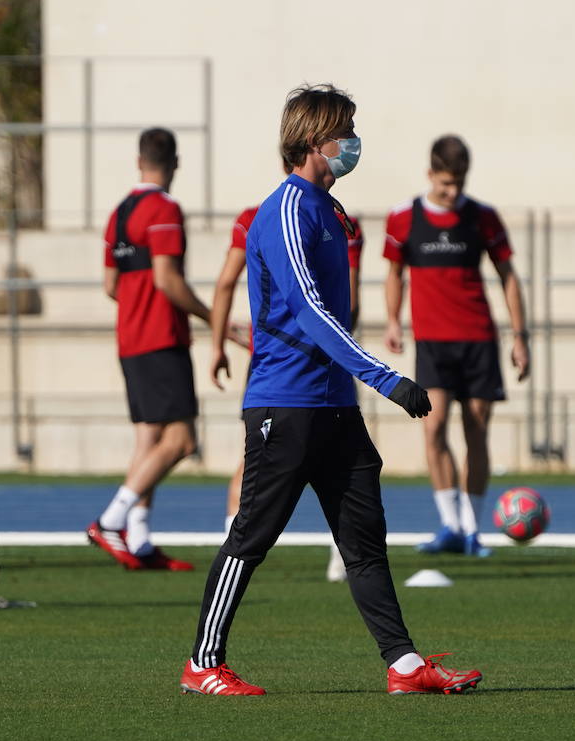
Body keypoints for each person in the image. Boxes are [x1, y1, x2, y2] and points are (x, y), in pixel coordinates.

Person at [180, 84, 483, 696]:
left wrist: (359, 384)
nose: (354, 142)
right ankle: (203, 664)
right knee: (252, 536)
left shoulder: (330, 209)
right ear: (317, 140)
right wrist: (387, 377)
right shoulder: (289, 209)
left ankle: (402, 665)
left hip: (335, 408)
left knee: (364, 543)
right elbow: (313, 315)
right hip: (286, 405)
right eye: (346, 130)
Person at [87, 128, 244, 572]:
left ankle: (138, 541)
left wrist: (138, 309)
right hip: (160, 338)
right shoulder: (165, 209)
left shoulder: (117, 215)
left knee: (149, 439)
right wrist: (216, 320)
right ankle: (111, 520)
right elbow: (166, 280)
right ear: (174, 164)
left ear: (139, 162)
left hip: (130, 339)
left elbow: (111, 286)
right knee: (181, 440)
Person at [209, 164, 364, 583]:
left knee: (259, 464)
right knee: (344, 468)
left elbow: (226, 283)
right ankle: (343, 560)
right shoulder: (335, 216)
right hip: (322, 363)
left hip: (280, 363)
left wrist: (218, 342)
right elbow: (348, 297)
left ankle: (235, 553)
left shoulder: (261, 214)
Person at [383, 135, 530, 558]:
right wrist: (394, 320)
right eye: (446, 183)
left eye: (459, 183)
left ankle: (471, 529)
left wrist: (520, 337)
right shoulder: (403, 218)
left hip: (479, 339)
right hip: (432, 342)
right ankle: (449, 523)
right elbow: (395, 275)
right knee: (433, 426)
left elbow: (509, 276)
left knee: (477, 431)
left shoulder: (482, 217)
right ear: (430, 175)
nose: (452, 192)